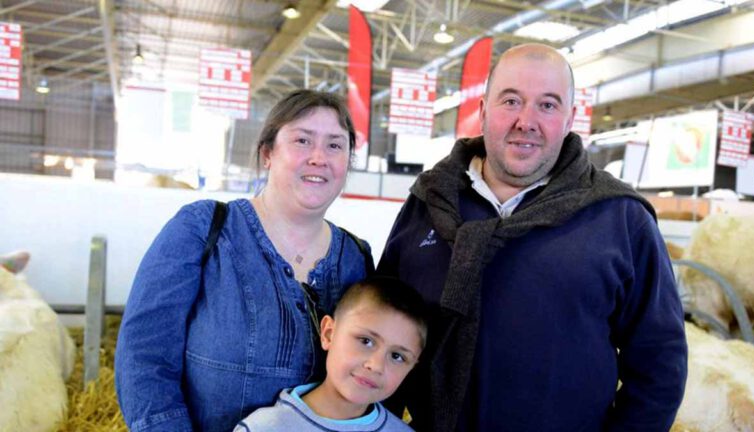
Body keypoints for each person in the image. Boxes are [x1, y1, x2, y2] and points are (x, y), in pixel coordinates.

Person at [377, 43, 688, 431]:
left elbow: (660, 363)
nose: (526, 120)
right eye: (511, 100)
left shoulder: (621, 217)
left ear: (570, 117)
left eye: (547, 104)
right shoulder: (429, 202)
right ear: (483, 110)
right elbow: (381, 327)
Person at [115, 89, 372, 432]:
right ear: (268, 154)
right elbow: (144, 359)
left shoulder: (356, 258)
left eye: (335, 145)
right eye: (302, 140)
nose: (319, 157)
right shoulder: (203, 230)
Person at [234, 276, 427, 432]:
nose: (376, 365)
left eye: (397, 356)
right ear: (328, 334)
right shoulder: (263, 427)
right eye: (366, 341)